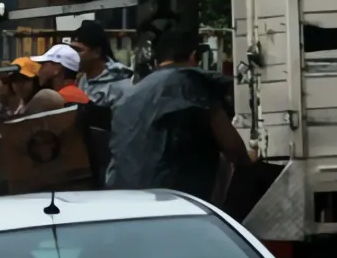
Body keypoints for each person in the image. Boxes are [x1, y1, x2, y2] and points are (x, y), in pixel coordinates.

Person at [105, 30, 256, 201]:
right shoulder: (191, 82)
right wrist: (250, 163)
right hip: (176, 203)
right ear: (193, 57)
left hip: (123, 199)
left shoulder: (129, 96)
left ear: (157, 62)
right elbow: (233, 150)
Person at [0, 57, 70, 173]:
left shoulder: (45, 98)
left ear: (36, 81)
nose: (19, 85)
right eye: (15, 81)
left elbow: (19, 127)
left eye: (25, 80)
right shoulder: (19, 107)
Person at [68, 20, 133, 106]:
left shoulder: (120, 84)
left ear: (97, 52)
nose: (72, 55)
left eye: (78, 50)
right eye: (72, 49)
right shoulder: (83, 79)